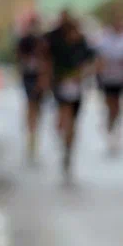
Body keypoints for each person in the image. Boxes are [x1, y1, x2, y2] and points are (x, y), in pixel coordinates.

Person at [44, 11, 95, 183]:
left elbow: (93, 62)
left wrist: (82, 74)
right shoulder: (57, 44)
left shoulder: (82, 44)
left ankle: (68, 147)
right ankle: (63, 135)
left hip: (76, 87)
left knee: (72, 121)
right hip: (60, 85)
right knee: (63, 116)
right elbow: (48, 61)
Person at [96, 13, 123, 155]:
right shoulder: (104, 38)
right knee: (110, 104)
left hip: (121, 78)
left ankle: (114, 126)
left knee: (118, 105)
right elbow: (100, 58)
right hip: (107, 79)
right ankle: (110, 124)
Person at [16, 15, 48, 165]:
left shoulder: (44, 41)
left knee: (38, 106)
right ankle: (31, 133)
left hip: (40, 77)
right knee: (31, 104)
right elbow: (19, 58)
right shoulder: (24, 41)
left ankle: (34, 128)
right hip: (28, 77)